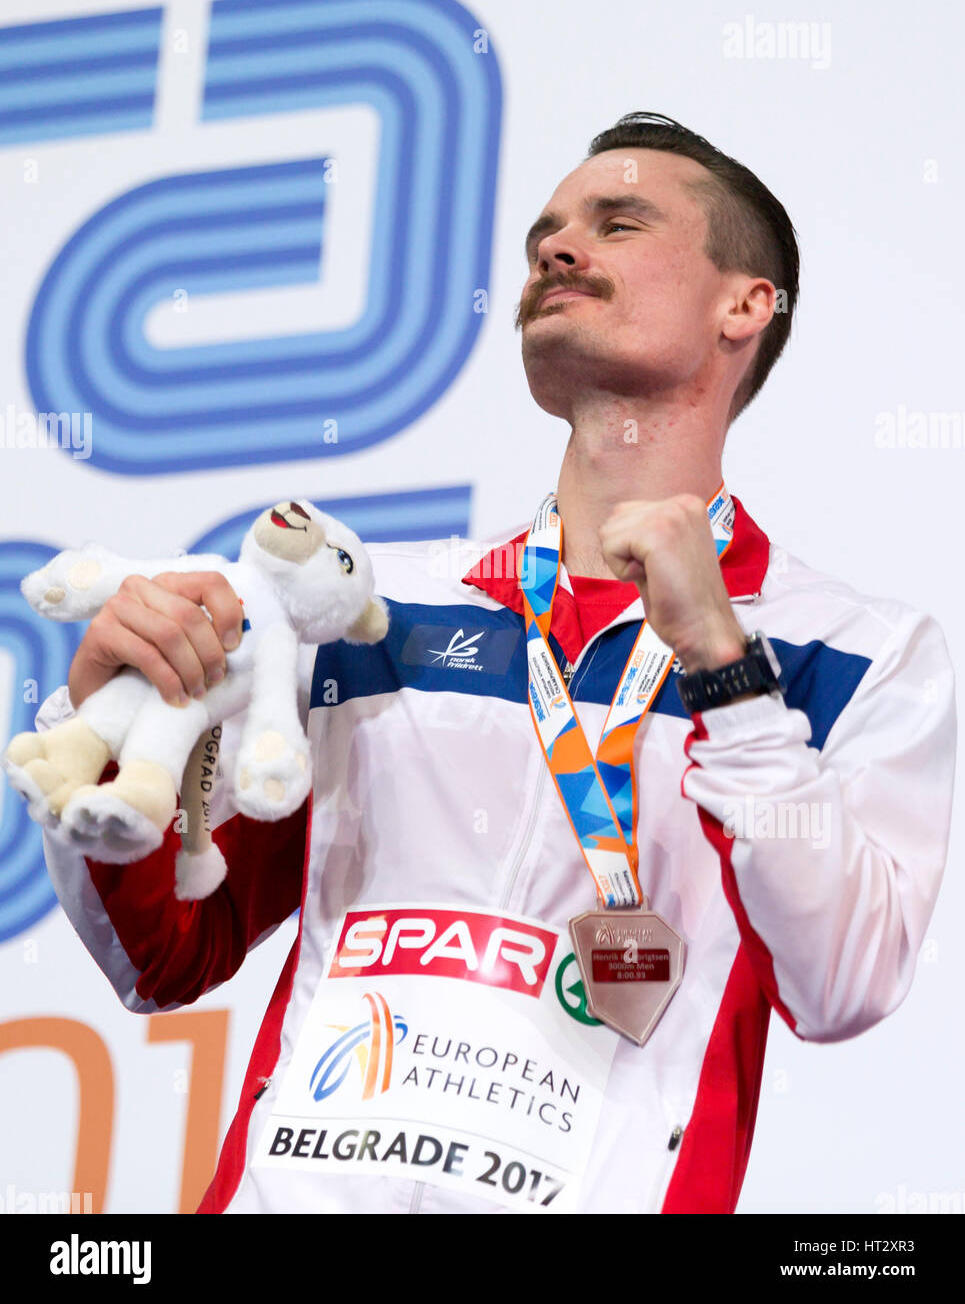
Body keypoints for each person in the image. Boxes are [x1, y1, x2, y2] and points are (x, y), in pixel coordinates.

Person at [35, 113, 955, 1214]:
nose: (556, 251)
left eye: (616, 224)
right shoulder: (377, 610)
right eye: (544, 235)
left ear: (743, 304)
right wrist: (123, 723)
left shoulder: (853, 652)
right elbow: (165, 957)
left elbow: (840, 984)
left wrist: (725, 670)